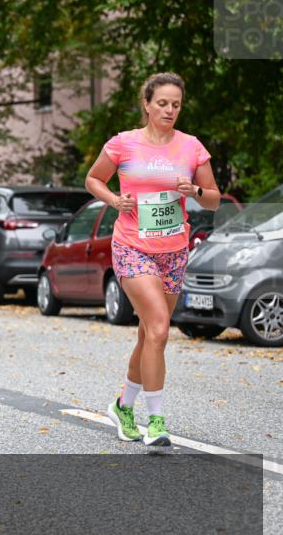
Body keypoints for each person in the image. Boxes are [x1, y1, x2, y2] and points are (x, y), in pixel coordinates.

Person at [86, 72, 220, 447]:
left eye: (175, 104)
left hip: (174, 251)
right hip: (132, 246)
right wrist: (114, 200)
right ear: (147, 104)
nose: (169, 110)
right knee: (159, 328)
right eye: (162, 103)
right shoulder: (123, 144)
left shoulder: (191, 147)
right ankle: (156, 421)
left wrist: (193, 189)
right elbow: (93, 179)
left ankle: (123, 406)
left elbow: (213, 198)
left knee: (149, 335)